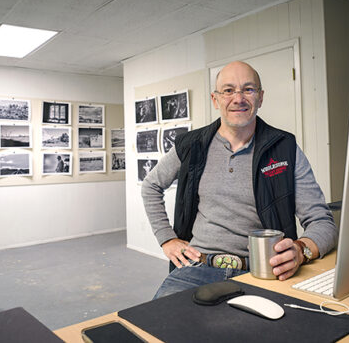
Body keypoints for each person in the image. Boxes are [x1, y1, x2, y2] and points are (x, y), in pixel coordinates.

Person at [141, 61, 338, 299]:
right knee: (160, 328)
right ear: (215, 99)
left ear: (261, 97)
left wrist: (301, 250)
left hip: (265, 273)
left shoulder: (285, 149)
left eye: (248, 89)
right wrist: (167, 239)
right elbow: (151, 186)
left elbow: (322, 222)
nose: (238, 98)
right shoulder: (191, 145)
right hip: (196, 269)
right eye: (228, 90)